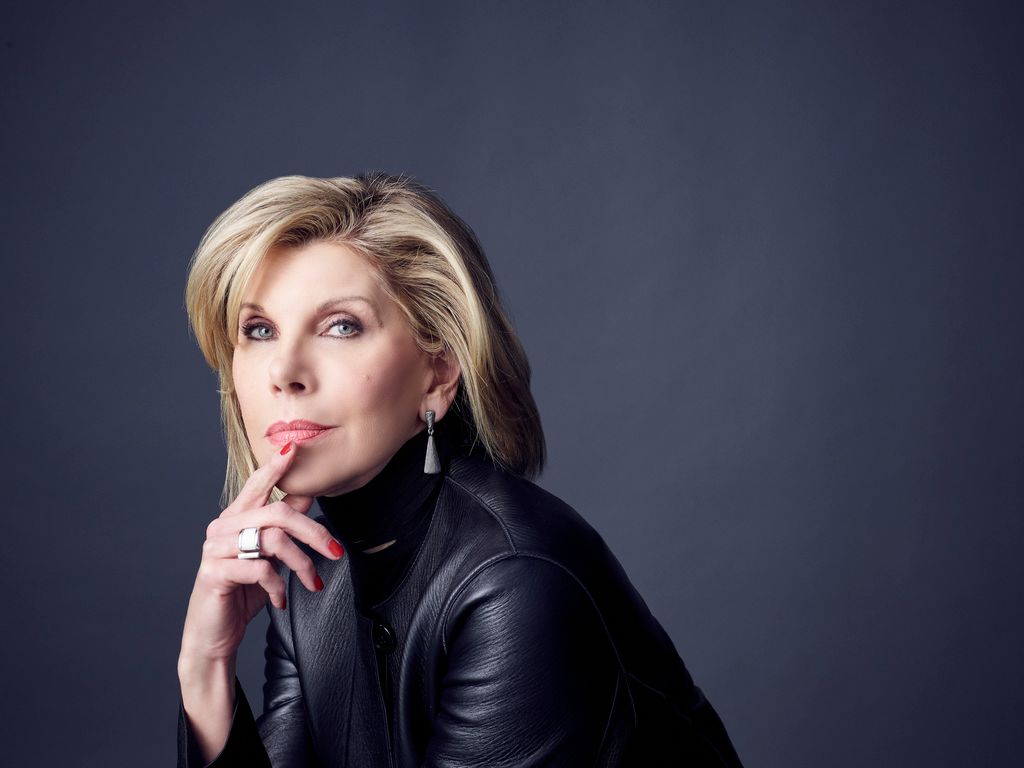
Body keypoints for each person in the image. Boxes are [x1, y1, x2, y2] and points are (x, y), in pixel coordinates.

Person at [176, 173, 743, 767]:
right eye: (259, 331)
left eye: (341, 326)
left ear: (439, 373)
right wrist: (204, 665)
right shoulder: (310, 573)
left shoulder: (514, 579)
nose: (284, 371)